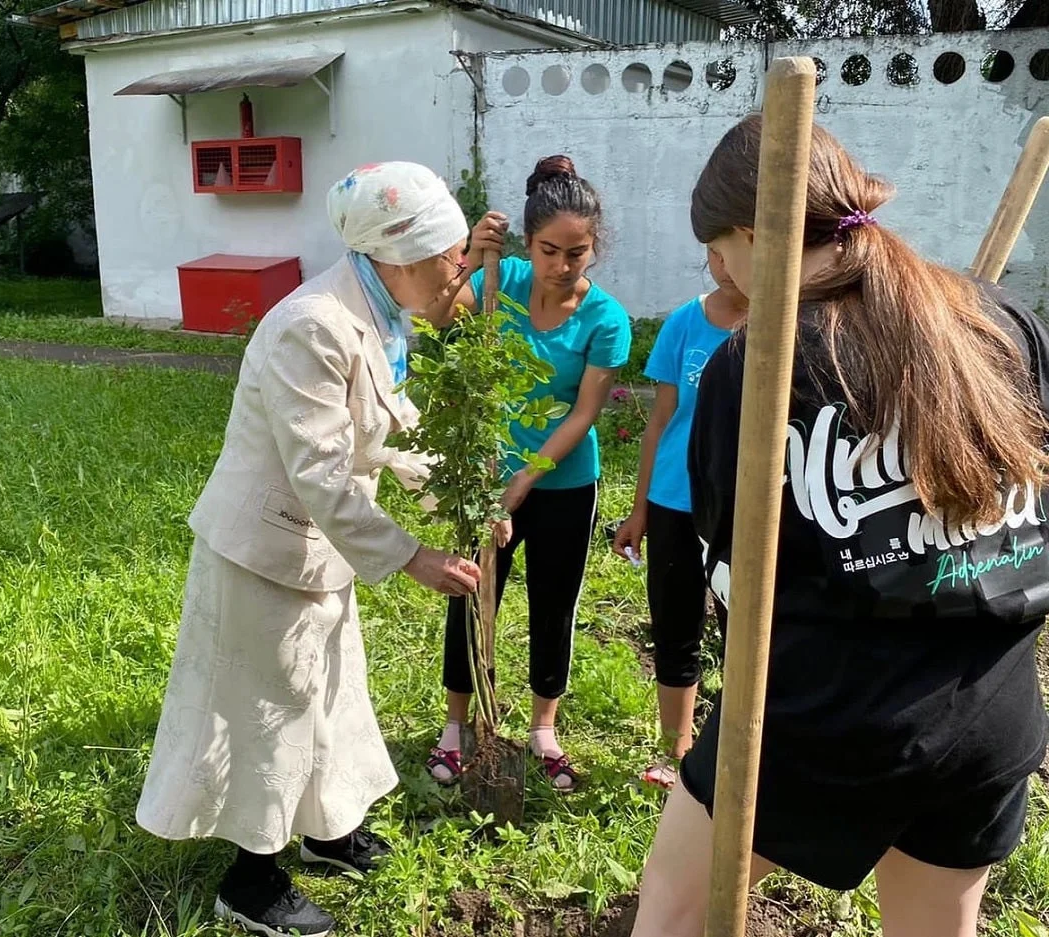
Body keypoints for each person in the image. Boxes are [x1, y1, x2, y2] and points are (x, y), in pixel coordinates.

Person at [633, 115, 1049, 937]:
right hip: (991, 709)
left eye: (717, 248)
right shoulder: (1000, 322)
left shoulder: (760, 362)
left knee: (672, 910)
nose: (717, 270)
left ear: (755, 232)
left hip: (825, 717)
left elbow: (734, 574)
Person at [135, 162, 482, 937]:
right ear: (402, 253)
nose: (461, 273)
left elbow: (393, 428)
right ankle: (251, 881)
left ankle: (329, 832)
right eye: (452, 256)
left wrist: (459, 495)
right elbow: (321, 473)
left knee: (330, 691)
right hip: (265, 549)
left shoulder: (381, 315)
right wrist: (413, 555)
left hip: (317, 550)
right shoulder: (312, 325)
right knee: (267, 710)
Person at [422, 156, 632, 792]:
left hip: (564, 485)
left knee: (554, 602)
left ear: (594, 249)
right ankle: (457, 726)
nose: (562, 266)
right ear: (527, 243)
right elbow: (436, 318)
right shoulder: (499, 280)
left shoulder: (606, 320)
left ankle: (545, 726)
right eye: (549, 250)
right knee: (471, 596)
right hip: (484, 476)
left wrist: (524, 483)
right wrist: (466, 262)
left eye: (578, 253)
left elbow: (583, 415)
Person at [613, 249, 747, 791]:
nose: (724, 263)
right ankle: (679, 751)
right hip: (674, 500)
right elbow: (660, 422)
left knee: (746, 631)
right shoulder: (684, 324)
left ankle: (744, 747)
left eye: (734, 248)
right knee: (675, 628)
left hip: (746, 509)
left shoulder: (788, 323)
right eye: (714, 251)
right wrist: (640, 508)